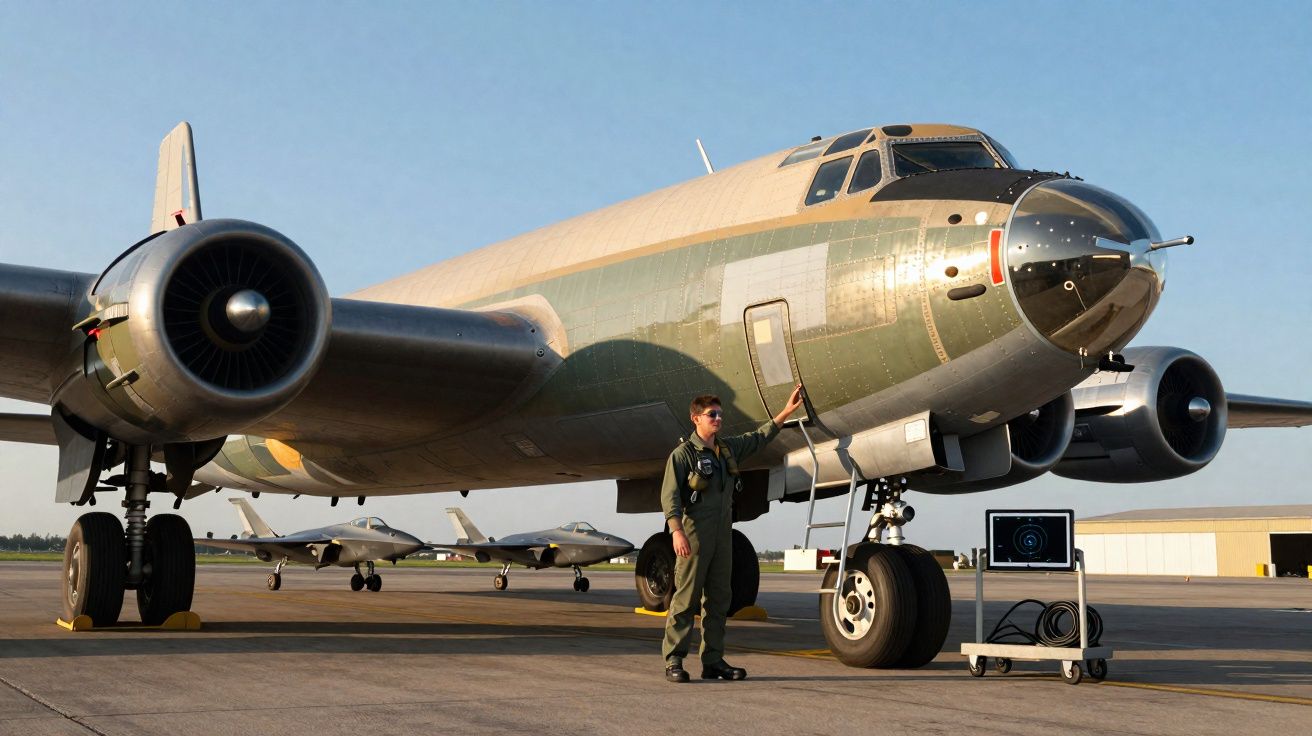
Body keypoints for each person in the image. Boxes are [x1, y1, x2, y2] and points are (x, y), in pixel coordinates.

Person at [660, 384, 805, 683]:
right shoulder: (683, 455)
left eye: (720, 414)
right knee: (685, 600)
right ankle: (674, 660)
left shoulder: (726, 450)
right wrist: (676, 532)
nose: (718, 419)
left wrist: (785, 413)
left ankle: (713, 661)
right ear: (695, 418)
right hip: (694, 533)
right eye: (712, 414)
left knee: (718, 600)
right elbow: (670, 497)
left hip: (723, 534)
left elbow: (757, 439)